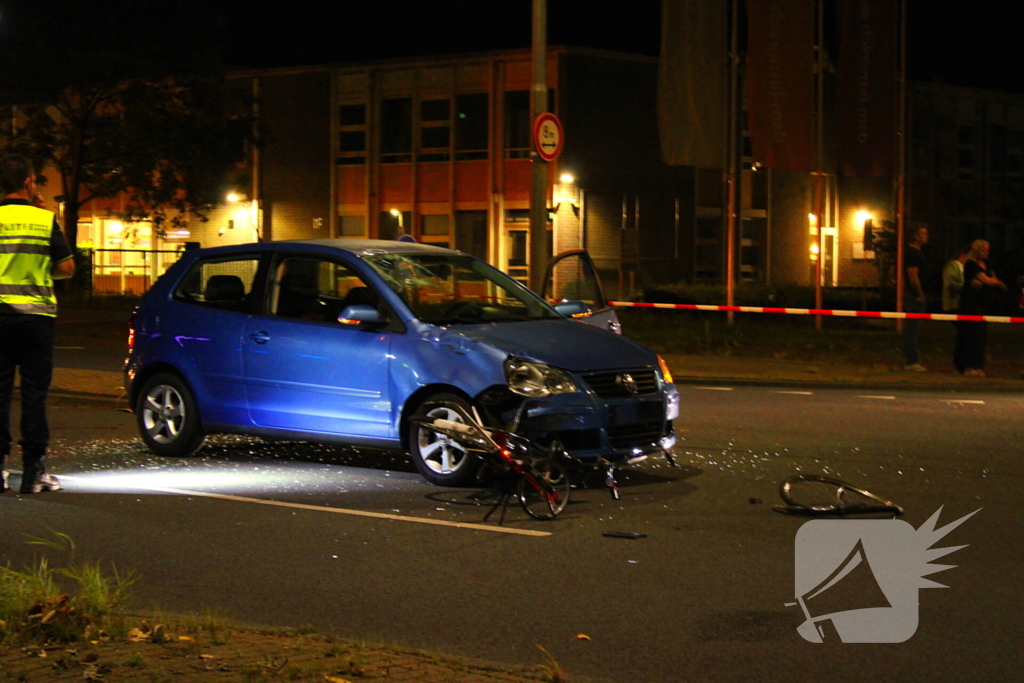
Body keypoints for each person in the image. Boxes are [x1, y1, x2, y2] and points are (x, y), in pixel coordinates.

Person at [0, 155, 75, 494]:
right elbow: (68, 268)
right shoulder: (44, 220)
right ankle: (33, 473)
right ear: (28, 182)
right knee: (34, 396)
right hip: (36, 320)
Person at [958, 239, 1006, 377]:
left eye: (987, 250)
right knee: (972, 334)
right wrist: (994, 282)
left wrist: (993, 281)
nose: (985, 253)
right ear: (975, 250)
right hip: (971, 304)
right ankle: (969, 366)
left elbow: (991, 278)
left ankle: (978, 365)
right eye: (982, 250)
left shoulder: (987, 264)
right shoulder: (971, 265)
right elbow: (987, 280)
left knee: (981, 335)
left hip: (983, 303)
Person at [903, 224, 930, 371]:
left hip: (914, 295)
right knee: (913, 328)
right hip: (915, 297)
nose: (926, 236)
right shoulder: (913, 253)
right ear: (916, 236)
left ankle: (912, 359)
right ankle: (911, 361)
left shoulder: (916, 252)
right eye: (923, 234)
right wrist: (919, 294)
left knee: (914, 328)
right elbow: (913, 276)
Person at [942, 245, 970, 374]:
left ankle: (961, 363)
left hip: (960, 304)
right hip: (954, 305)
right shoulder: (953, 266)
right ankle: (959, 364)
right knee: (963, 333)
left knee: (963, 334)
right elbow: (951, 285)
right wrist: (967, 287)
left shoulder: (961, 267)